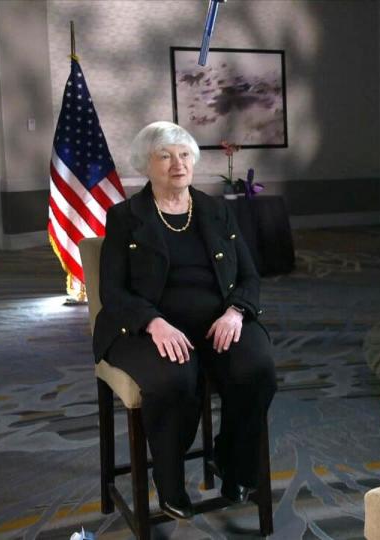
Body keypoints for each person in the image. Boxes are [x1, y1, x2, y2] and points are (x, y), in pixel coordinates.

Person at [93, 121, 276, 519]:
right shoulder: (126, 217)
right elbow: (113, 292)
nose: (178, 164)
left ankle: (234, 464)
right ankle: (170, 479)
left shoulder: (215, 210)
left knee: (256, 367)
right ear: (146, 164)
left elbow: (249, 275)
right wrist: (154, 323)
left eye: (185, 155)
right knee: (175, 378)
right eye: (165, 156)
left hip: (217, 321)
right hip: (148, 328)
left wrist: (236, 311)